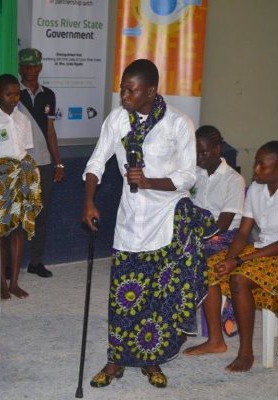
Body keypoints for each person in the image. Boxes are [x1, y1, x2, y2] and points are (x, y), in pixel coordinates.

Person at [82, 59, 216, 388]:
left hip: (166, 220)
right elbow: (96, 161)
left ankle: (152, 359)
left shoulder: (178, 123)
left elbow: (186, 177)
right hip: (130, 223)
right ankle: (115, 361)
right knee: (123, 295)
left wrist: (149, 182)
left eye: (131, 89)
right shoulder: (116, 120)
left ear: (150, 91)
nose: (124, 95)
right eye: (122, 89)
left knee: (156, 297)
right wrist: (88, 200)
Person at [184, 141, 278, 373]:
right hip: (263, 246)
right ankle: (216, 340)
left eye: (263, 166)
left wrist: (239, 261)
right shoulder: (256, 189)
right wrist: (230, 257)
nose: (256, 170)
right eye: (257, 164)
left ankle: (246, 352)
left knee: (239, 279)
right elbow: (244, 231)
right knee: (208, 267)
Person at [0, 73, 42, 300]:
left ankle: (14, 282)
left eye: (17, 94)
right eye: (8, 94)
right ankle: (1, 282)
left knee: (18, 231)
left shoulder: (24, 119)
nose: (13, 98)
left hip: (22, 176)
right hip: (1, 179)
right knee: (2, 232)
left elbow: (25, 152)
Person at [192, 125, 245, 337]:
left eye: (203, 152)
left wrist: (194, 236)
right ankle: (171, 317)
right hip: (198, 232)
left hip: (224, 236)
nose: (198, 157)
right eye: (195, 152)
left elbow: (223, 224)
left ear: (218, 149)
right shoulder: (194, 173)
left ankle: (198, 324)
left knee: (190, 258)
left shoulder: (233, 180)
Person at [18, 48, 65, 278]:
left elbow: (51, 131)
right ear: (20, 68)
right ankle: (11, 264)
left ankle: (36, 262)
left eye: (34, 65)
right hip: (20, 163)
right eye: (25, 66)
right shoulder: (13, 93)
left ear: (40, 67)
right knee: (17, 214)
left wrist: (59, 163)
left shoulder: (49, 95)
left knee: (41, 215)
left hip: (45, 163)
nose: (30, 70)